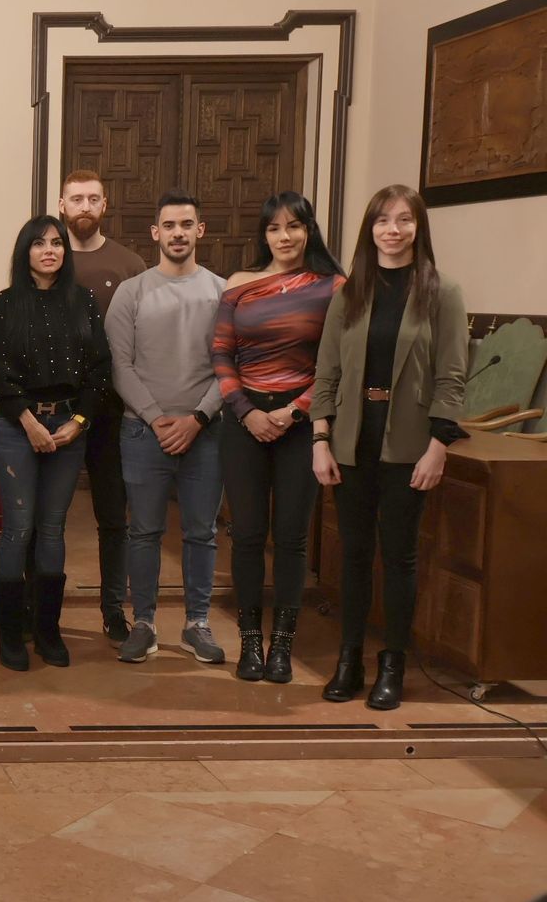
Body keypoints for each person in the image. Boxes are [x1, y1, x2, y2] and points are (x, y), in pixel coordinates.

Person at [312, 184, 467, 709]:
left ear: (419, 228)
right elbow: (326, 373)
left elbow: (451, 377)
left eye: (404, 220)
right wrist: (320, 440)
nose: (393, 229)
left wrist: (438, 445)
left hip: (408, 446)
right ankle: (349, 660)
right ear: (370, 228)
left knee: (398, 558)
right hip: (353, 442)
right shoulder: (349, 293)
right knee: (352, 557)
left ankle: (392, 666)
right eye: (382, 220)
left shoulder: (441, 292)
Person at [212, 192, 345, 683]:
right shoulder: (240, 283)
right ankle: (249, 644)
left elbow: (336, 364)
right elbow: (221, 354)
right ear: (263, 234)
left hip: (301, 426)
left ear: (309, 229)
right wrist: (246, 411)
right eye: (274, 228)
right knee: (246, 536)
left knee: (290, 540)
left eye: (293, 227)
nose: (284, 237)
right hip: (243, 423)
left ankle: (283, 647)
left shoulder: (334, 287)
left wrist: (295, 412)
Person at [105, 191, 227, 666]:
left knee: (202, 532)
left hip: (206, 431)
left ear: (200, 231)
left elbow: (229, 366)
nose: (178, 233)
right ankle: (144, 623)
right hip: (142, 431)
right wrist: (157, 418)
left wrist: (197, 419)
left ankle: (198, 623)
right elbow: (120, 365)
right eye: (169, 226)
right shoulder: (131, 292)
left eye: (186, 225)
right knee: (144, 532)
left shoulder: (222, 292)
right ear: (155, 234)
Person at [0, 214, 110, 670]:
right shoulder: (7, 302)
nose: (49, 251)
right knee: (19, 529)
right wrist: (29, 424)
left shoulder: (84, 302)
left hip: (68, 429)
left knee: (53, 530)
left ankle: (48, 629)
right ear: (26, 253)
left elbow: (99, 373)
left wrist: (77, 422)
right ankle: (10, 633)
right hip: (17, 427)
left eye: (56, 243)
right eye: (39, 244)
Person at [58, 170, 145, 646]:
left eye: (93, 198)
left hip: (113, 409)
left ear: (105, 204)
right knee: (48, 517)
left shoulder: (130, 264)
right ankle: (41, 607)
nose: (85, 206)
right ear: (62, 204)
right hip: (58, 405)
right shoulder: (46, 257)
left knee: (114, 516)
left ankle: (114, 609)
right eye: (77, 199)